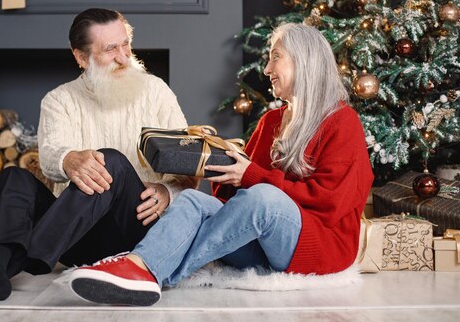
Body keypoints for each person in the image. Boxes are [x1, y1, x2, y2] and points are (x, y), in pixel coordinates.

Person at [69, 22, 374, 306]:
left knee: (263, 198)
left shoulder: (341, 121)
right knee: (193, 201)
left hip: (320, 248)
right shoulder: (271, 122)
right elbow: (232, 202)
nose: (267, 69)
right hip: (263, 246)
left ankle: (162, 274)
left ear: (304, 61)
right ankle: (140, 265)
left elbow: (331, 201)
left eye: (275, 58)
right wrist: (221, 170)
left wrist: (252, 176)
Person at [0, 8, 197, 301]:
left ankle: (18, 259)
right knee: (14, 177)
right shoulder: (59, 100)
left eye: (126, 44)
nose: (124, 57)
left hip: (136, 232)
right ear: (81, 58)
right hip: (77, 239)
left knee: (109, 160)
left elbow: (189, 166)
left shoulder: (156, 91)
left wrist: (167, 192)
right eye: (110, 49)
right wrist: (68, 159)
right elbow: (49, 157)